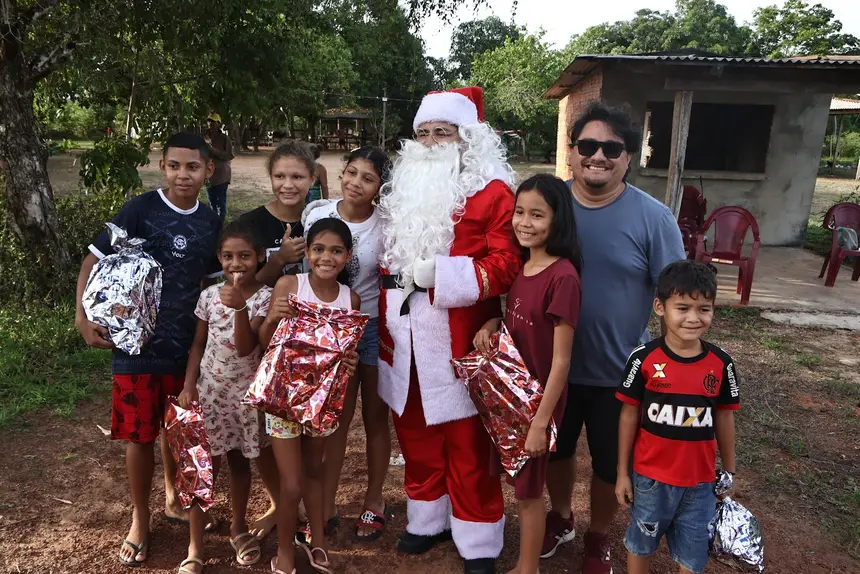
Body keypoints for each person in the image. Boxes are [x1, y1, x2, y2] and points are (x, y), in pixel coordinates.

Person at [377, 86, 520, 574]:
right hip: (404, 329)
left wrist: (443, 274)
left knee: (467, 440)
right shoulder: (404, 186)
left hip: (459, 332)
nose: (432, 142)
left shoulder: (493, 191)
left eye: (443, 132)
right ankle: (428, 518)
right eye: (424, 133)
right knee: (413, 431)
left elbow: (506, 264)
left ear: (467, 138)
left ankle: (478, 536)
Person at [541, 101, 685, 573]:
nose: (597, 156)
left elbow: (677, 294)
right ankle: (560, 518)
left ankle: (599, 535)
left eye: (611, 147)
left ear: (628, 157)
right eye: (587, 145)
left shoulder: (654, 218)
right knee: (555, 453)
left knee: (609, 464)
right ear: (572, 151)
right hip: (551, 368)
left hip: (619, 374)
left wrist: (676, 361)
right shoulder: (549, 206)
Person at [74, 132, 223, 567]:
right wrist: (83, 317)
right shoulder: (140, 210)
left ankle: (175, 498)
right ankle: (140, 520)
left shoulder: (210, 223)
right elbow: (93, 260)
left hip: (185, 348)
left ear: (207, 170)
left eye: (192, 167)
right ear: (163, 166)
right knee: (139, 436)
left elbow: (213, 283)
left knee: (179, 431)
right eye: (175, 165)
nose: (183, 174)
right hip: (135, 347)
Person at [474, 174, 582, 574]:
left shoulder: (563, 277)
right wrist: (490, 325)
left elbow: (561, 361)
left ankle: (527, 568)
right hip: (511, 399)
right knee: (518, 485)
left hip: (538, 405)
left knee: (529, 493)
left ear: (558, 221)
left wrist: (540, 423)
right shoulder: (523, 265)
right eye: (519, 212)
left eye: (537, 215)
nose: (524, 222)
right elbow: (518, 325)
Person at [616, 260, 739, 574]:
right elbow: (629, 415)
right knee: (641, 544)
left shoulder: (721, 364)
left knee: (692, 555)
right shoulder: (643, 359)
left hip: (700, 482)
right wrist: (622, 473)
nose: (693, 318)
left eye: (704, 309)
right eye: (682, 307)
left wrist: (730, 471)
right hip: (650, 479)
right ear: (660, 307)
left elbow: (725, 418)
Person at [260, 218, 361, 574]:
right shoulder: (290, 284)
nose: (326, 257)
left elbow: (345, 355)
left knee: (315, 473)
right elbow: (263, 343)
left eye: (336, 251)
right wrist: (272, 316)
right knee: (291, 485)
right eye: (318, 249)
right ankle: (285, 551)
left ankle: (318, 543)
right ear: (308, 252)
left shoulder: (351, 298)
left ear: (348, 256)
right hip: (284, 403)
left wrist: (351, 361)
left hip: (322, 403)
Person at [303, 147, 393, 541]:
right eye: (351, 173)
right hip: (327, 329)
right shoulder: (317, 214)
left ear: (379, 188)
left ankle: (374, 502)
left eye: (368, 178)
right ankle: (326, 504)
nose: (356, 183)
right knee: (332, 420)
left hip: (371, 327)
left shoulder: (387, 225)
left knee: (375, 416)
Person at [176, 222, 272, 574]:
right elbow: (198, 345)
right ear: (219, 257)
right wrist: (189, 387)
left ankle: (238, 527)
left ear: (260, 257)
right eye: (228, 256)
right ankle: (195, 546)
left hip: (245, 399)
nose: (236, 263)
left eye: (245, 256)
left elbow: (249, 347)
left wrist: (240, 308)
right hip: (210, 395)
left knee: (239, 462)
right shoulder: (208, 295)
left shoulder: (266, 296)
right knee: (203, 468)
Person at [239, 140, 313, 288]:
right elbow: (243, 288)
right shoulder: (249, 224)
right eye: (279, 176)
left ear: (312, 179)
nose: (287, 185)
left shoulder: (319, 221)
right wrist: (280, 258)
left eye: (297, 177)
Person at [205, 113, 234, 222]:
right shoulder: (204, 137)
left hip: (222, 176)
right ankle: (213, 223)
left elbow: (229, 155)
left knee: (221, 203)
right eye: (209, 121)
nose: (210, 124)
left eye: (213, 122)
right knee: (211, 201)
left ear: (218, 124)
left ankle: (220, 225)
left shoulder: (224, 138)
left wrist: (213, 150)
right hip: (208, 176)